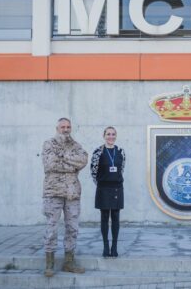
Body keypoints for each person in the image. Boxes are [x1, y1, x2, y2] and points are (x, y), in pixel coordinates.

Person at [41, 118, 88, 277]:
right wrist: (71, 164)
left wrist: (62, 157)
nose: (66, 129)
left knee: (72, 228)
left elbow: (82, 161)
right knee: (51, 228)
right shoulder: (49, 144)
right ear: (57, 128)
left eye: (68, 127)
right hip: (53, 192)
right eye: (63, 127)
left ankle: (69, 262)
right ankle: (49, 264)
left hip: (72, 193)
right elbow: (49, 164)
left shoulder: (76, 145)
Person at [90, 126, 126, 258]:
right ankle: (106, 247)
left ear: (116, 136)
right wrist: (102, 183)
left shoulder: (121, 151)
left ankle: (114, 247)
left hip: (117, 188)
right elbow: (93, 172)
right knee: (104, 217)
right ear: (104, 136)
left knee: (115, 218)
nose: (111, 136)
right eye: (108, 134)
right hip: (103, 188)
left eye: (113, 134)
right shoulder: (98, 152)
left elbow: (121, 169)